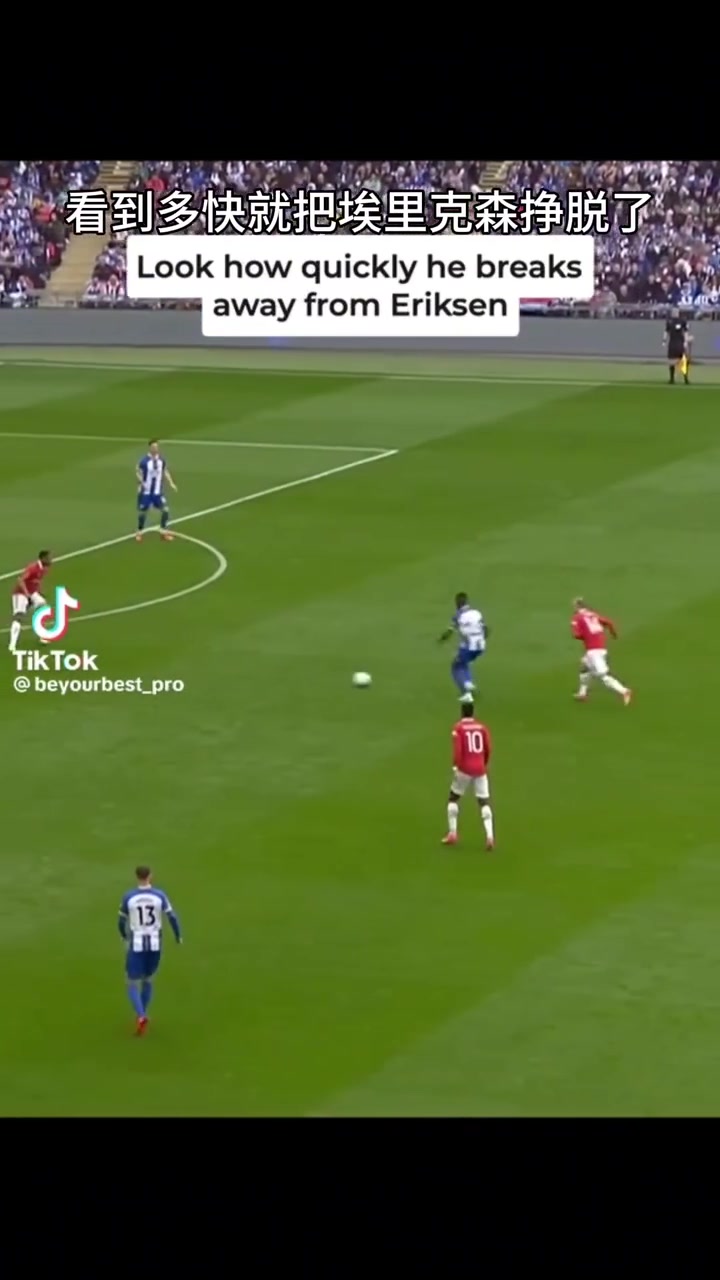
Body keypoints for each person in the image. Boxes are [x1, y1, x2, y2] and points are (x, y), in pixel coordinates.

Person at [118, 865, 182, 1035]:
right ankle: (143, 1014)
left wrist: (123, 935)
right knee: (148, 980)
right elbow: (172, 917)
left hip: (137, 945)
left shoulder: (129, 897)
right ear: (150, 876)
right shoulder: (159, 895)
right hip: (155, 944)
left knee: (131, 982)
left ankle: (141, 1016)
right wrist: (178, 936)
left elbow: (121, 921)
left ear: (136, 876)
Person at [442, 699, 495, 849]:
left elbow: (458, 750)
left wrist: (456, 766)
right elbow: (488, 748)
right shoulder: (482, 728)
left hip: (464, 769)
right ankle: (490, 836)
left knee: (453, 798)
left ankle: (453, 833)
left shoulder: (458, 728)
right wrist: (483, 763)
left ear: (461, 713)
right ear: (473, 713)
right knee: (484, 801)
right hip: (480, 769)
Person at [571, 597, 632, 705]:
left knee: (603, 675)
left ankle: (624, 691)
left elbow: (576, 635)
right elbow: (609, 623)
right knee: (584, 669)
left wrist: (585, 636)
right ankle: (582, 694)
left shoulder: (577, 617)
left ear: (577, 607)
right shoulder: (593, 615)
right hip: (601, 648)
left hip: (593, 651)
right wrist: (614, 634)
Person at [664, 309, 691, 385]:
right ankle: (672, 379)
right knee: (671, 362)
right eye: (673, 312)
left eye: (676, 312)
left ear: (678, 313)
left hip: (680, 343)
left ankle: (686, 379)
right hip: (672, 343)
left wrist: (686, 341)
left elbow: (686, 332)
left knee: (684, 360)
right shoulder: (669, 321)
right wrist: (664, 340)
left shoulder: (682, 321)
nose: (674, 313)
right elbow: (666, 331)